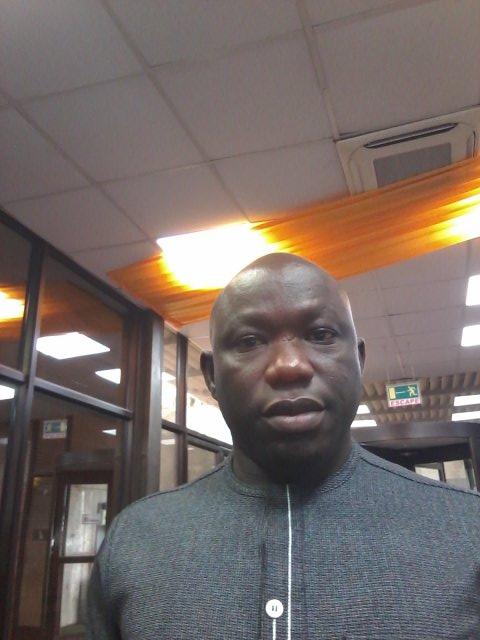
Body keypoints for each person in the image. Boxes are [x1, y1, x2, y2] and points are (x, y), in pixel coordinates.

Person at [87, 253, 480, 639]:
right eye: (249, 341)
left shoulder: (468, 531)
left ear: (359, 362)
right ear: (211, 376)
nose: (289, 365)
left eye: (321, 335)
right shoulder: (135, 541)